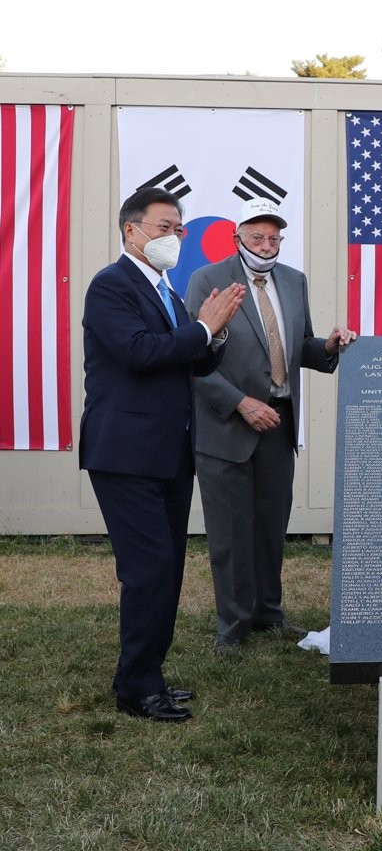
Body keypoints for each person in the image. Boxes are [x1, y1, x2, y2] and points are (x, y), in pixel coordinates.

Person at [81, 187, 246, 722]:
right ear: (130, 230)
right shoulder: (111, 286)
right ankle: (135, 688)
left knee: (168, 567)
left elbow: (191, 363)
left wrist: (212, 335)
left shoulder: (166, 290)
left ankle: (149, 673)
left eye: (178, 228)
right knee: (148, 569)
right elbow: (138, 352)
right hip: (126, 453)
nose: (174, 236)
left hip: (170, 453)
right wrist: (201, 327)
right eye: (163, 226)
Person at [185, 198, 357, 655]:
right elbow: (190, 358)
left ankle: (268, 613)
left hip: (278, 426)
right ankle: (233, 625)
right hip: (227, 426)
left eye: (274, 237)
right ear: (236, 237)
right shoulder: (208, 280)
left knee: (269, 526)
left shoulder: (293, 281)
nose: (266, 245)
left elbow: (300, 346)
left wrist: (332, 346)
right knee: (229, 531)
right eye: (257, 236)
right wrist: (240, 403)